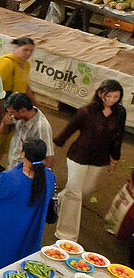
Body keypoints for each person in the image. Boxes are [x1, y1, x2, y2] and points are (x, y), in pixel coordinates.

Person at [0, 139, 56, 278]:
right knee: (13, 268)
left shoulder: (10, 178)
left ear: (23, 154)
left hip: (0, 232)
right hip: (25, 234)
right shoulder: (49, 177)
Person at [54, 79, 126, 241]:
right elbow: (68, 130)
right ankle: (66, 234)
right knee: (74, 194)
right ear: (101, 94)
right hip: (78, 156)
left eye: (116, 97)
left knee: (84, 189)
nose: (112, 100)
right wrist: (54, 146)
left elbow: (118, 136)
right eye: (109, 96)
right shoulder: (86, 112)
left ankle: (54, 203)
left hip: (99, 159)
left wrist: (115, 158)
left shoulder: (120, 113)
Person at [0, 92, 54, 170]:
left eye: (11, 112)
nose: (10, 115)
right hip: (12, 165)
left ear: (23, 110)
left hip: (25, 172)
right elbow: (4, 132)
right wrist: (4, 123)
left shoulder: (42, 126)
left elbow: (49, 159)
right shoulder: (19, 115)